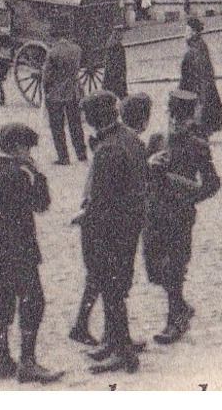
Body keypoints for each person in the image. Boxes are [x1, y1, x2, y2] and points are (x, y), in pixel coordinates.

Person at [0, 122, 62, 384]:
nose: (30, 153)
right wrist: (38, 174)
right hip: (20, 251)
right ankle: (28, 361)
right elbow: (41, 204)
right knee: (32, 302)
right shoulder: (20, 175)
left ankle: (2, 359)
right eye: (28, 148)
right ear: (17, 148)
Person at [69, 92, 152, 348]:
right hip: (131, 222)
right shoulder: (132, 139)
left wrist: (85, 217)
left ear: (94, 118)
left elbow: (102, 199)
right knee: (116, 281)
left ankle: (119, 347)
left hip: (109, 226)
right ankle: (115, 339)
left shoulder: (108, 149)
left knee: (110, 284)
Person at [143, 90, 221, 345]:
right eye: (172, 117)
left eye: (182, 119)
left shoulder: (198, 146)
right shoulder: (156, 140)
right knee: (154, 270)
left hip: (179, 214)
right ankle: (182, 307)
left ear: (191, 119)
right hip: (153, 211)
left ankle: (174, 320)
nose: (176, 123)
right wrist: (149, 164)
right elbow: (139, 174)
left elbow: (211, 183)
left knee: (174, 268)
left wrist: (188, 194)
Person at [178, 16, 222, 135]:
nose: (185, 34)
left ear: (194, 32)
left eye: (187, 31)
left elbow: (200, 70)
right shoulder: (197, 45)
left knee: (197, 112)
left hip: (197, 87)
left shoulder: (197, 47)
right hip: (195, 85)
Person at [42, 36, 87, 165]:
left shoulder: (53, 52)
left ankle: (64, 157)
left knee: (57, 127)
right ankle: (81, 154)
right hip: (74, 92)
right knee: (76, 124)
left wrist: (46, 92)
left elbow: (47, 76)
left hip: (56, 94)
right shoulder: (76, 49)